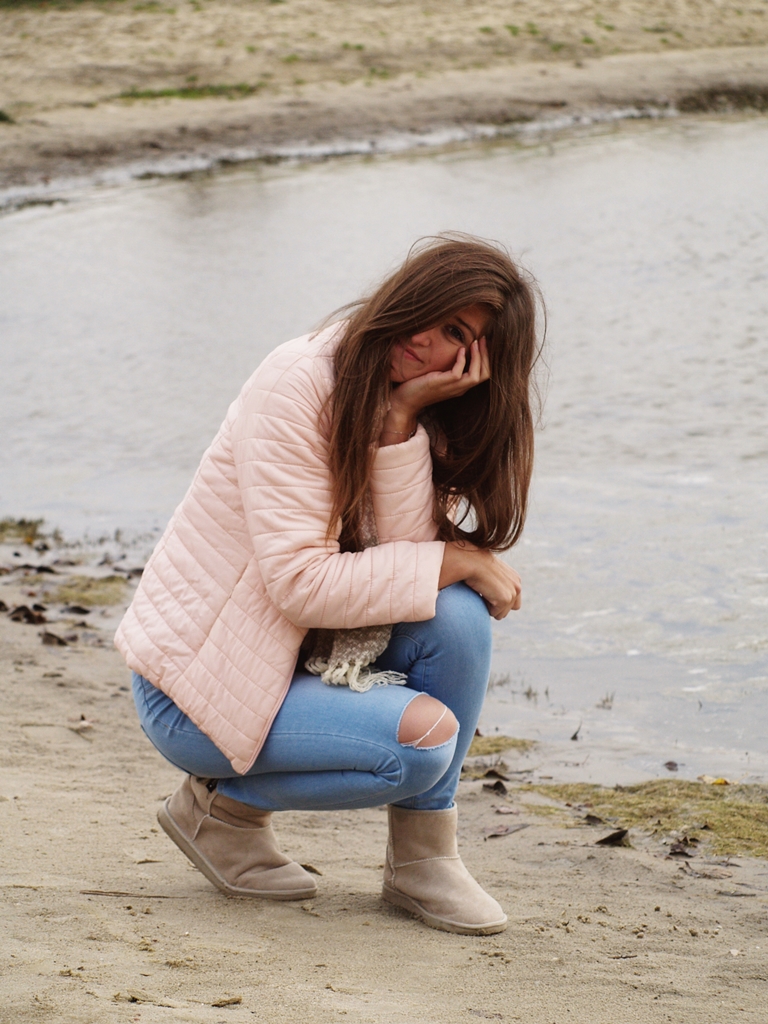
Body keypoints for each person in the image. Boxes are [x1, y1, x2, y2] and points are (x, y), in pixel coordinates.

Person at [116, 235, 541, 936]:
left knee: (457, 616)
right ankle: (221, 814)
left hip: (289, 667)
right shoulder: (297, 382)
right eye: (433, 312)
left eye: (457, 337)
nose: (426, 339)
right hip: (199, 691)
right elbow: (302, 586)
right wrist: (459, 558)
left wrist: (399, 425)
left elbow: (398, 570)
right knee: (420, 746)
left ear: (477, 365)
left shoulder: (414, 410)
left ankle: (424, 863)